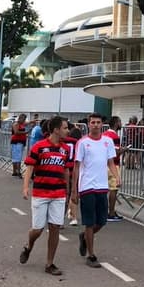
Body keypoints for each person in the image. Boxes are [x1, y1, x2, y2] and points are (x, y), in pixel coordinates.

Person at [20, 116, 72, 275]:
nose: (67, 130)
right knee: (38, 229)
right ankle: (29, 246)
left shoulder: (65, 149)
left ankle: (50, 263)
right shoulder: (39, 147)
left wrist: (69, 191)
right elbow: (29, 167)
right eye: (64, 128)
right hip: (41, 193)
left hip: (58, 193)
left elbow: (66, 170)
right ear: (56, 129)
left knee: (55, 227)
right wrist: (25, 187)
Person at [71, 113, 121, 268]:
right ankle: (91, 255)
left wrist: (117, 177)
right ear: (88, 124)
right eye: (93, 122)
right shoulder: (83, 142)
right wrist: (74, 190)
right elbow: (76, 166)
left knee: (102, 221)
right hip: (87, 186)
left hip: (102, 186)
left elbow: (110, 161)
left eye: (98, 122)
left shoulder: (107, 142)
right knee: (89, 222)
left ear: (102, 124)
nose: (95, 125)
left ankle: (85, 237)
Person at [103, 116, 125, 222]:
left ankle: (103, 211)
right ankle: (111, 212)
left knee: (103, 189)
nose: (121, 124)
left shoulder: (104, 134)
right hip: (113, 165)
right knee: (113, 189)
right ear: (116, 123)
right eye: (120, 122)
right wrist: (123, 150)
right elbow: (115, 153)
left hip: (103, 164)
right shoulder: (114, 136)